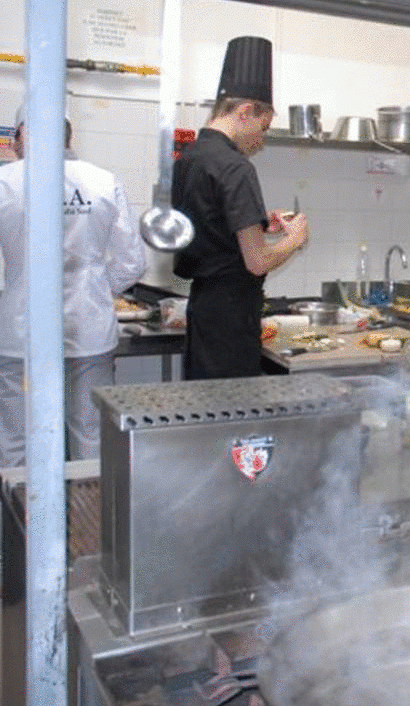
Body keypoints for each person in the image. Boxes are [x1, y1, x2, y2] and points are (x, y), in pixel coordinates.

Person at [0, 104, 146, 466]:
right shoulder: (103, 181)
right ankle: (89, 504)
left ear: (20, 136)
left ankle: (22, 505)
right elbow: (132, 263)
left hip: (21, 334)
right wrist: (94, 289)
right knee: (91, 435)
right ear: (69, 136)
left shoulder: (6, 182)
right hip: (89, 333)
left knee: (18, 440)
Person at [171, 36, 309, 379]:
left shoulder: (190, 156)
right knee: (232, 406)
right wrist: (293, 240)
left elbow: (211, 225)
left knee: (203, 401)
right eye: (263, 127)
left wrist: (259, 223)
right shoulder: (235, 167)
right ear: (245, 111)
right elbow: (257, 260)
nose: (261, 141)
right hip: (231, 319)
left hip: (203, 309)